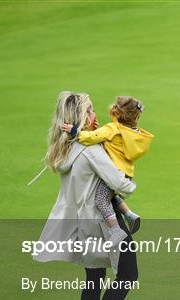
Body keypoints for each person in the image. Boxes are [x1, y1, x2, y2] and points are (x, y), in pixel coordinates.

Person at [35, 91, 139, 300]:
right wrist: (130, 183)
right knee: (128, 276)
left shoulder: (66, 148)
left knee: (94, 278)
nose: (96, 117)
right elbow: (119, 184)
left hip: (83, 225)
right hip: (104, 222)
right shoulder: (91, 149)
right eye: (91, 112)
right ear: (81, 117)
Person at [61, 96, 154, 247]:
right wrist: (98, 130)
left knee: (101, 200)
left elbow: (91, 138)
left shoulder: (112, 128)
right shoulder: (132, 133)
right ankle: (129, 215)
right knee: (110, 195)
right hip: (127, 172)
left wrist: (75, 132)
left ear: (116, 112)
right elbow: (111, 141)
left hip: (114, 172)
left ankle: (116, 230)